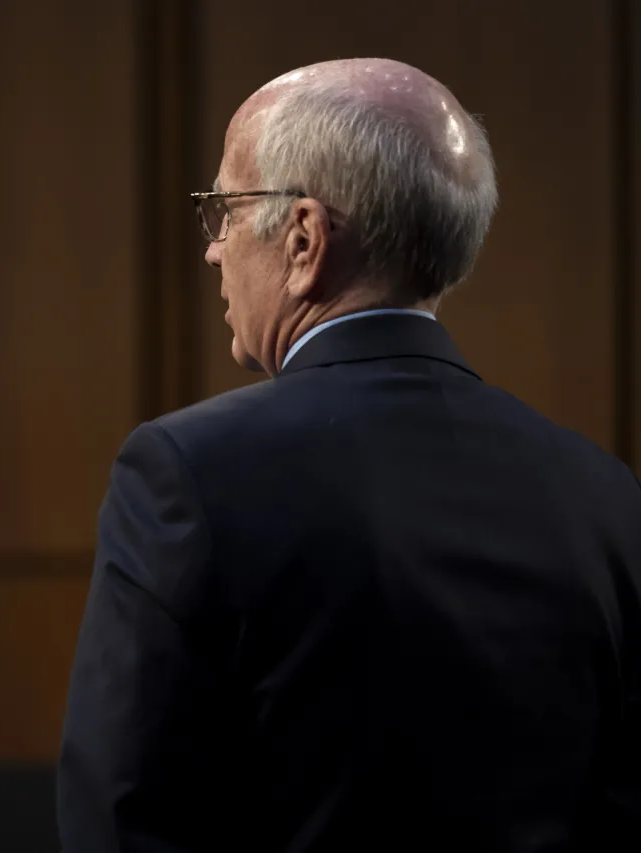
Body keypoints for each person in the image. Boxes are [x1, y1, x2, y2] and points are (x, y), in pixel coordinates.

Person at [58, 58, 641, 851]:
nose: (213, 250)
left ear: (303, 239)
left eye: (225, 209)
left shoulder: (186, 474)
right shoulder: (603, 494)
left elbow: (121, 820)